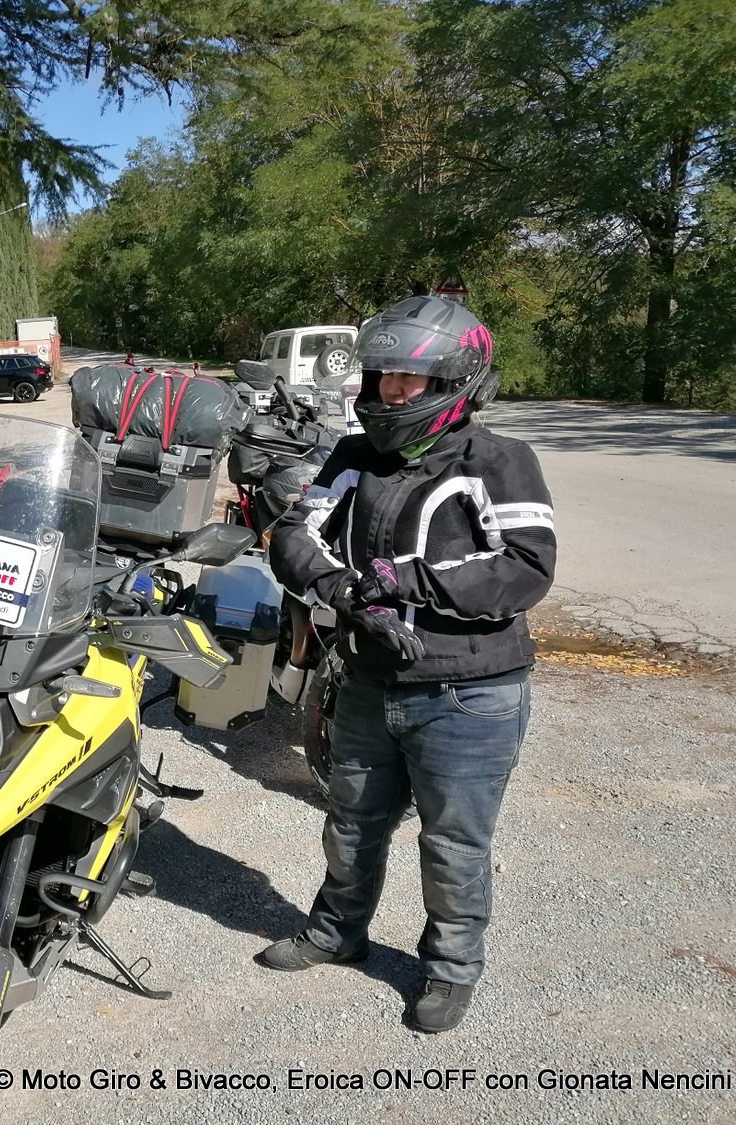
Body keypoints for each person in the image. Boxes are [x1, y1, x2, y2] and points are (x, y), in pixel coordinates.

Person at [261, 295, 556, 1033]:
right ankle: (337, 931)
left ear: (455, 381)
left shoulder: (498, 461)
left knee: (454, 843)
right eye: (383, 375)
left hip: (468, 692)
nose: (392, 391)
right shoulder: (356, 454)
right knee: (351, 821)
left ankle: (450, 969)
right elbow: (294, 533)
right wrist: (343, 592)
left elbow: (526, 568)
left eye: (409, 378)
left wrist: (408, 580)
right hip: (368, 677)